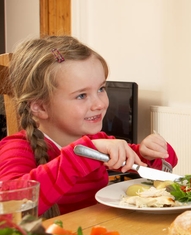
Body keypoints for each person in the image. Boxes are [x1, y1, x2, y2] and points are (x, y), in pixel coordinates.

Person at [0, 36, 178, 217]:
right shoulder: (17, 148)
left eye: (101, 89)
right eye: (81, 96)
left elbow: (163, 164)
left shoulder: (97, 140)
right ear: (40, 107)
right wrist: (82, 155)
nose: (99, 104)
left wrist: (153, 152)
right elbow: (8, 208)